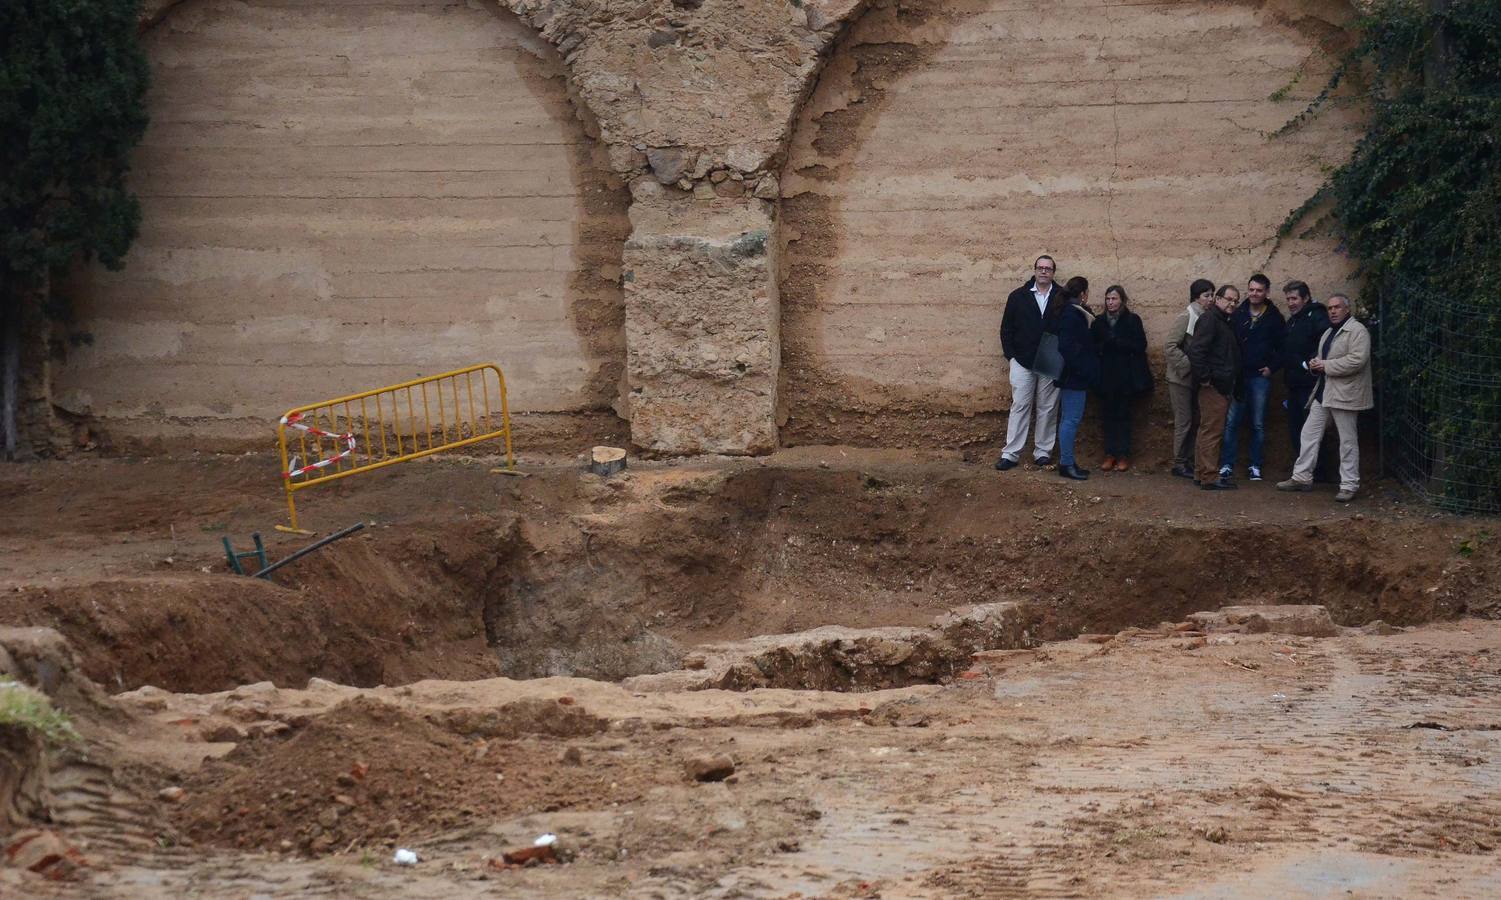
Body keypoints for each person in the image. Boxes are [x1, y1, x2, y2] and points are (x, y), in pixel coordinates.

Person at [1277, 294, 1371, 502]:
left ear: (1347, 309)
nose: (1333, 311)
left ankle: (1349, 484)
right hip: (1324, 391)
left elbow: (1357, 361)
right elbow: (1326, 360)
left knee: (1347, 441)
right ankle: (1302, 477)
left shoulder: (1357, 331)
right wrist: (1316, 365)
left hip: (1345, 394)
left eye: (1337, 307)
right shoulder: (1329, 331)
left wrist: (1325, 366)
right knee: (1309, 433)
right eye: (1330, 308)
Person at [997, 255, 1067, 470]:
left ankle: (1043, 452)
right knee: (1020, 405)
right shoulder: (1018, 296)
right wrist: (1012, 356)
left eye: (1048, 268)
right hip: (1022, 360)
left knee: (1048, 407)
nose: (1044, 271)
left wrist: (1062, 356)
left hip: (1051, 359)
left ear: (1053, 272)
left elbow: (1071, 325)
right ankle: (1010, 454)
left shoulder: (1062, 297)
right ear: (1035, 270)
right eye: (1040, 268)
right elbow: (1006, 328)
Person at [1218, 273, 1285, 482]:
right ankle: (1227, 465)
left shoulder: (1275, 317)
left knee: (1257, 423)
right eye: (1251, 289)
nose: (1254, 293)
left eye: (1259, 290)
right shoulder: (1237, 314)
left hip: (1259, 378)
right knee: (1231, 422)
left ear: (1266, 292)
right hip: (1238, 377)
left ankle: (1255, 465)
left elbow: (1283, 348)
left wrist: (1271, 368)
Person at [1090, 285, 1151, 470]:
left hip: (1126, 378)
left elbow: (1140, 345)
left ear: (1122, 300)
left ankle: (1123, 455)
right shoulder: (1099, 322)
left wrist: (1117, 342)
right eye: (1108, 299)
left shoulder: (1132, 320)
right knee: (1107, 417)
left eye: (1114, 299)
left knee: (1124, 416)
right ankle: (1109, 454)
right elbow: (1092, 346)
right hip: (1106, 378)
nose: (1110, 302)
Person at [1188, 284, 1242, 490]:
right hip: (1214, 386)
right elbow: (1197, 351)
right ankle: (1209, 476)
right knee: (1212, 431)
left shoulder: (1222, 321)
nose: (1232, 304)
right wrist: (1206, 379)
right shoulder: (1211, 319)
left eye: (1235, 301)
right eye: (1229, 299)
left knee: (1207, 430)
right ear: (1217, 299)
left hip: (1220, 383)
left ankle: (1201, 473)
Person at [1280, 280, 1331, 478]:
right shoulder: (1293, 320)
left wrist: (1306, 365)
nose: (1291, 303)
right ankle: (1303, 471)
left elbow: (1323, 344)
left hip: (1310, 384)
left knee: (1311, 429)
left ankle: (1319, 471)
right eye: (1288, 299)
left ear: (1306, 298)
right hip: (1293, 384)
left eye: (1294, 298)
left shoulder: (1316, 316)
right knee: (1296, 428)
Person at [1165, 279, 1214, 478]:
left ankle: (1190, 460)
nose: (1210, 299)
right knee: (1184, 421)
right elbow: (1170, 346)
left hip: (1195, 379)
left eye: (1212, 295)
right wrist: (1188, 366)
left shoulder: (1205, 317)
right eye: (1206, 295)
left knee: (1195, 421)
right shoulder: (1186, 316)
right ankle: (1179, 462)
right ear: (1197, 297)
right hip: (1180, 379)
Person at [1054, 278, 1099, 480]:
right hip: (1074, 377)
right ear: (1083, 293)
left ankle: (1068, 462)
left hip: (1074, 375)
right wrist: (1082, 369)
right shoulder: (1072, 314)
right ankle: (1066, 464)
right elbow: (1066, 346)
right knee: (1070, 420)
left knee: (1069, 420)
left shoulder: (1073, 311)